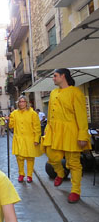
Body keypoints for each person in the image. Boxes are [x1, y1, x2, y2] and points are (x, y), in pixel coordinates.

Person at [42, 68, 91, 203]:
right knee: (51, 155)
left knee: (73, 162)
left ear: (63, 76)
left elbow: (81, 115)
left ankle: (75, 190)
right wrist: (47, 127)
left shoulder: (76, 92)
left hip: (71, 130)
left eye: (55, 75)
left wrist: (82, 135)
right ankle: (60, 173)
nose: (53, 78)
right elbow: (50, 114)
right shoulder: (53, 93)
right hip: (54, 130)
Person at [9, 96, 42, 183]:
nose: (21, 103)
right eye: (20, 102)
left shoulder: (33, 113)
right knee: (19, 157)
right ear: (18, 103)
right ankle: (21, 174)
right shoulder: (14, 113)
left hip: (30, 138)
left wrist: (36, 139)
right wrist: (9, 120)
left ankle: (30, 175)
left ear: (26, 102)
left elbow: (37, 127)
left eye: (23, 101)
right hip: (18, 138)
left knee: (30, 158)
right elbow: (11, 126)